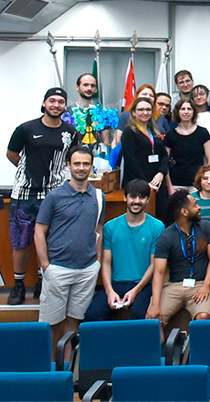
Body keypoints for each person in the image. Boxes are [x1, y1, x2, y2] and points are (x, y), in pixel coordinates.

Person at [6, 87, 79, 305]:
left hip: (55, 195)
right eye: (52, 101)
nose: (56, 105)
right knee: (21, 241)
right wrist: (26, 171)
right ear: (44, 103)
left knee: (49, 241)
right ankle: (18, 285)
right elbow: (11, 154)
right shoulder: (26, 128)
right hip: (25, 194)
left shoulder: (70, 132)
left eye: (60, 102)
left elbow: (73, 158)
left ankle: (42, 281)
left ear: (65, 106)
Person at [34, 146, 104, 358]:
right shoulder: (54, 197)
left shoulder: (98, 196)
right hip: (58, 269)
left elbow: (98, 230)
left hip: (86, 270)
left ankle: (68, 370)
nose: (81, 168)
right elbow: (39, 231)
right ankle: (50, 371)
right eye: (77, 164)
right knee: (52, 324)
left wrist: (97, 262)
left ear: (92, 167)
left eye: (86, 164)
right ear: (68, 165)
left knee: (74, 322)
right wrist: (46, 265)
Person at [85, 179, 163, 322]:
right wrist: (109, 291)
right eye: (133, 197)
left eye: (142, 197)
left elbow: (154, 264)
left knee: (139, 315)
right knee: (92, 315)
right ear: (125, 198)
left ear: (147, 200)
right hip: (116, 283)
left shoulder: (157, 227)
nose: (137, 201)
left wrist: (136, 290)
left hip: (142, 284)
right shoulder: (110, 227)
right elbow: (106, 262)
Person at [147, 190, 210, 330]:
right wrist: (155, 304)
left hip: (200, 283)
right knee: (153, 322)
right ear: (184, 212)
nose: (199, 207)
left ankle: (192, 351)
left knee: (202, 317)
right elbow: (158, 273)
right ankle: (162, 350)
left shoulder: (206, 227)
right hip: (174, 285)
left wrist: (206, 285)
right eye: (195, 205)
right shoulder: (166, 237)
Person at [119, 97, 168, 217]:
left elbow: (164, 156)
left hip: (157, 182)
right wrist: (145, 184)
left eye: (148, 109)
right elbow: (130, 160)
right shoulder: (129, 132)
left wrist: (161, 173)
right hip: (138, 184)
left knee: (160, 216)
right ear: (134, 112)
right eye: (141, 109)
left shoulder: (154, 131)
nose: (145, 113)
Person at [164, 98, 210, 190]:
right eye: (183, 109)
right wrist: (170, 186)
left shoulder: (203, 133)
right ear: (177, 112)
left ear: (194, 112)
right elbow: (165, 162)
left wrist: (206, 181)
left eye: (189, 109)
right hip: (176, 183)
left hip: (198, 183)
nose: (186, 112)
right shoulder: (170, 135)